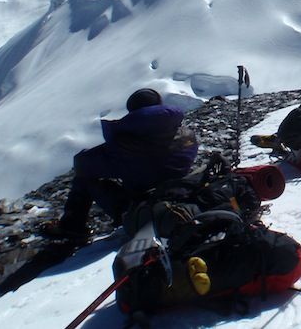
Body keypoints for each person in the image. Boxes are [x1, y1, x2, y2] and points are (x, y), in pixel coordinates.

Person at [44, 88, 199, 240]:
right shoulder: (187, 135)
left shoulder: (126, 144)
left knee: (85, 179)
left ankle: (72, 226)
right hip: (181, 197)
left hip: (142, 209)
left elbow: (83, 163)